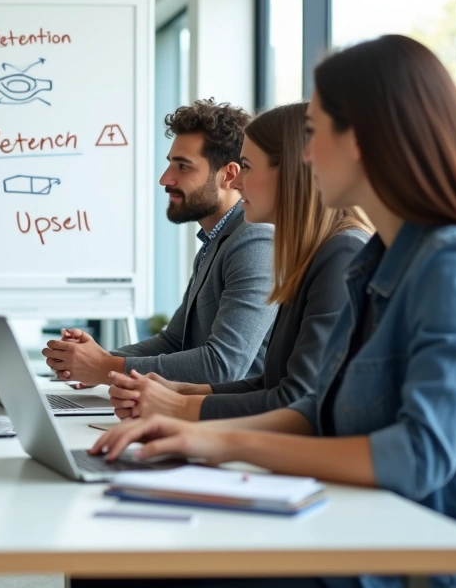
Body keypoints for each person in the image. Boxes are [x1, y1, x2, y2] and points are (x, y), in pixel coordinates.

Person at [83, 35, 456, 588]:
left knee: (127, 569)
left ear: (364, 141)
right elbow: (315, 410)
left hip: (434, 558)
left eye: (316, 133)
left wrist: (219, 437)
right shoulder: (374, 265)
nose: (306, 156)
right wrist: (190, 434)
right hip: (362, 524)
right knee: (118, 555)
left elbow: (417, 457)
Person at [107, 103, 370, 421]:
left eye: (247, 166)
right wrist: (183, 392)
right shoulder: (310, 253)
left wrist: (179, 407)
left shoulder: (341, 254)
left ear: (289, 172)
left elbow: (298, 401)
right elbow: (274, 383)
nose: (235, 182)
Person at [44, 99, 277, 386]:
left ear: (228, 175)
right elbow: (174, 341)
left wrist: (104, 366)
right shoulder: (216, 240)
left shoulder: (255, 241)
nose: (165, 179)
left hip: (230, 422)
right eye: (170, 164)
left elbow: (222, 366)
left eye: (183, 167)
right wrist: (93, 359)